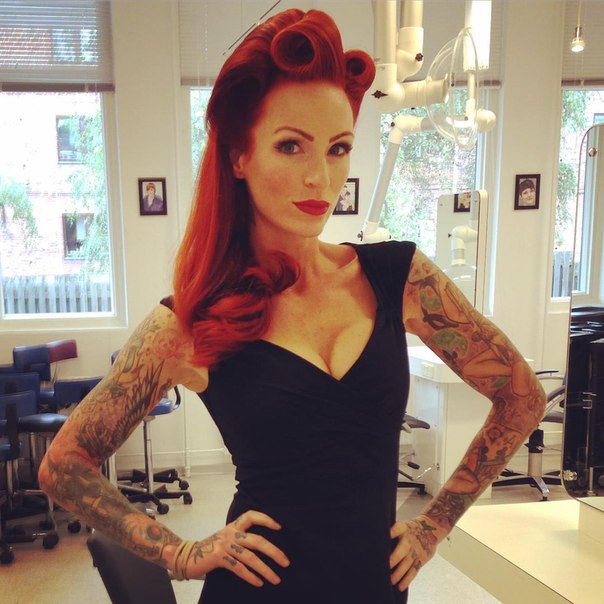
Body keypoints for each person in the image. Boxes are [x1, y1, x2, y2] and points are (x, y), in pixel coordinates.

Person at [39, 9, 545, 604]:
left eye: (338, 148)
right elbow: (63, 464)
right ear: (239, 157)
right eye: (290, 146)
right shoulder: (189, 322)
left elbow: (522, 396)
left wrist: (434, 525)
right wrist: (179, 553)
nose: (320, 177)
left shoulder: (401, 278)